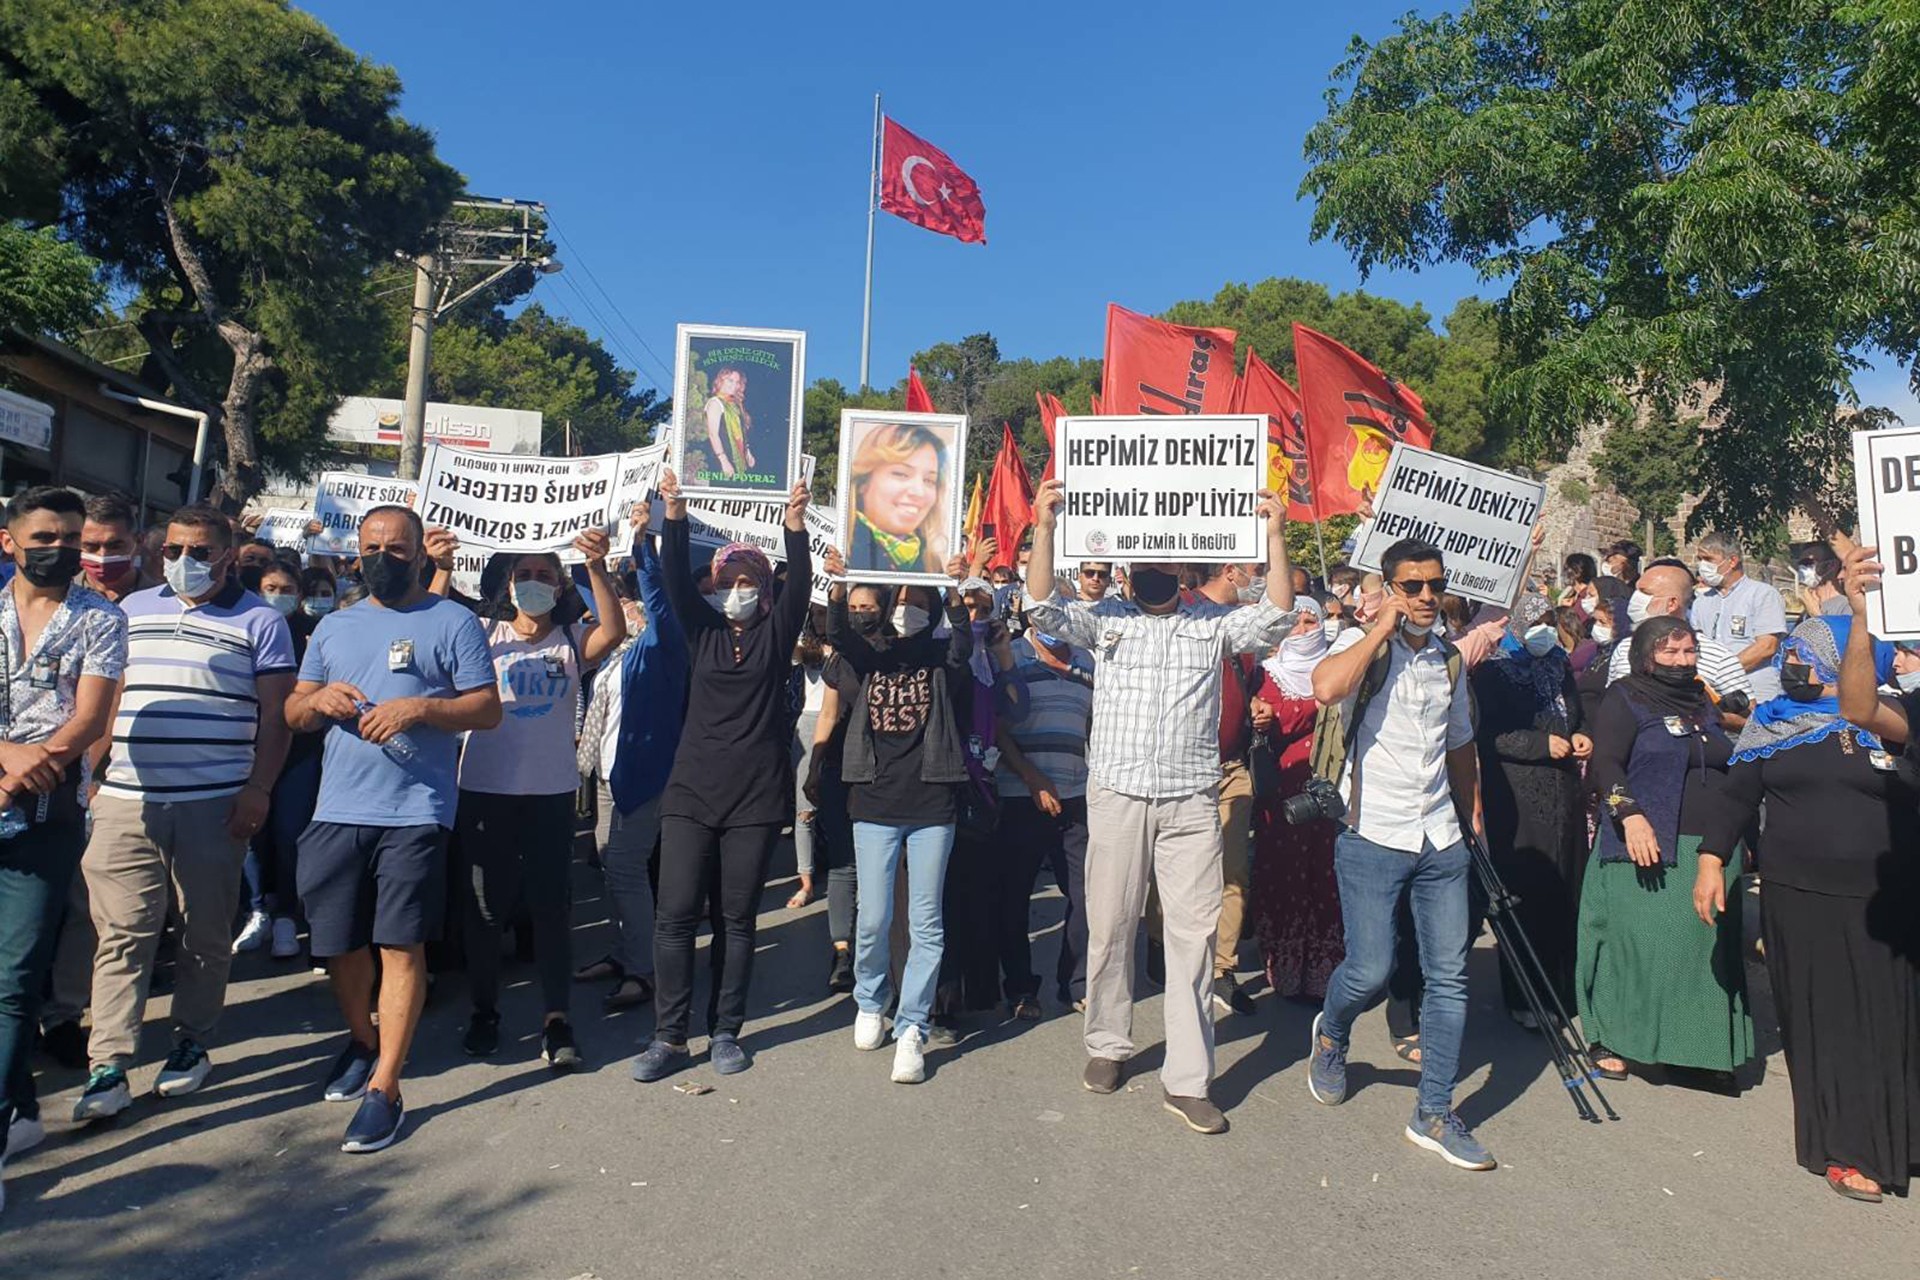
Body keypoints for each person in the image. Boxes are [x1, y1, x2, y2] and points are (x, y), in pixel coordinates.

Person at [1025, 477, 1297, 1136]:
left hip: (1191, 800)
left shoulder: (1212, 624)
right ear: (1126, 564)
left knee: (1193, 937)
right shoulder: (1107, 619)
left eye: (1166, 560)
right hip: (1118, 794)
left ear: (1184, 564)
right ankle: (1107, 1044)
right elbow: (1040, 610)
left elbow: (1279, 618)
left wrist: (1276, 536)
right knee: (1112, 923)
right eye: (1142, 561)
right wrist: (1043, 526)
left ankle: (1188, 1079)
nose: (1154, 570)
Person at [285, 505, 502, 1154]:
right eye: (373, 546)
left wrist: (423, 708)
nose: (383, 557)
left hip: (414, 812)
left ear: (420, 554)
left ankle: (386, 1088)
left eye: (398, 548)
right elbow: (294, 710)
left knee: (399, 945)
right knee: (337, 945)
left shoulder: (453, 621)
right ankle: (363, 1039)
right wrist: (316, 703)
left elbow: (486, 709)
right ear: (357, 551)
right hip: (336, 811)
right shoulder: (335, 627)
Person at [73, 504, 294, 1121]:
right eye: (173, 551)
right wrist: (93, 775)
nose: (184, 563)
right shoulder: (128, 612)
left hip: (214, 803)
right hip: (125, 800)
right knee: (121, 933)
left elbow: (275, 717)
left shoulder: (259, 621)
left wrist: (259, 789)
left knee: (203, 933)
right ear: (157, 550)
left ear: (226, 555)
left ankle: (191, 1042)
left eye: (199, 552)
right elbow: (107, 700)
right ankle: (108, 1065)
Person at [1707, 605, 1920, 1203]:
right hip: (1798, 897)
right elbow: (1735, 799)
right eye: (1791, 651)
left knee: (1889, 1022)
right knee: (1827, 1022)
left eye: (1803, 653)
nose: (1789, 662)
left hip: (1887, 901)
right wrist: (1710, 861)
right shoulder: (1771, 723)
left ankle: (1895, 1134)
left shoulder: (1892, 722)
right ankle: (1849, 1147)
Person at [1305, 538, 1494, 1171]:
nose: (1425, 597)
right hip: (1372, 833)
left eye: (1434, 586)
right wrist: (1381, 624)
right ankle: (1332, 1032)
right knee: (1371, 969)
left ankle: (1434, 1110)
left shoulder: (1448, 660)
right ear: (1389, 588)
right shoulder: (1358, 648)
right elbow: (1327, 688)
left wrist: (1473, 815)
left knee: (1449, 976)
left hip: (1439, 836)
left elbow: (1461, 743)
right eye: (1410, 586)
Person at [632, 470, 811, 1083]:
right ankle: (669, 1036)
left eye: (748, 582)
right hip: (691, 792)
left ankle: (726, 1030)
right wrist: (674, 513)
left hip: (756, 798)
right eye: (728, 581)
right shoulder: (701, 631)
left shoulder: (775, 634)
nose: (736, 590)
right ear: (715, 587)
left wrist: (794, 527)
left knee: (736, 919)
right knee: (675, 914)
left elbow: (802, 587)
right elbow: (675, 579)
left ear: (763, 591)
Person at [451, 528, 625, 1071]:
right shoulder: (480, 633)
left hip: (550, 797)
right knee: (483, 912)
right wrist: (439, 564)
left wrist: (595, 567)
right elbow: (434, 619)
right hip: (483, 793)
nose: (532, 584)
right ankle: (485, 1011)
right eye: (523, 575)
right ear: (507, 583)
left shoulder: (572, 640)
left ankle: (556, 1018)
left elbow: (614, 630)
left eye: (544, 575)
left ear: (559, 584)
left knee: (552, 912)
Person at [0, 487, 125, 1214]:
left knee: (15, 978)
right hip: (15, 777)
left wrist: (32, 766)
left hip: (45, 819)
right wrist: (9, 754)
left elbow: (90, 716)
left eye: (72, 537)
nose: (62, 548)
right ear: (10, 541)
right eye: (45, 534)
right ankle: (20, 1111)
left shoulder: (100, 619)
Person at [1577, 616, 1751, 1086]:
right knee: (1639, 946)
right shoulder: (1625, 697)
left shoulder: (1703, 701)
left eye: (1688, 651)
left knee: (1698, 951)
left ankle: (1693, 1048)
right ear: (1646, 654)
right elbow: (1605, 763)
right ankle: (1612, 1036)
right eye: (1669, 652)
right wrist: (1630, 814)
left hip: (1707, 845)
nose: (1681, 661)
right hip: (1645, 840)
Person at [825, 562, 973, 1083]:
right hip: (874, 804)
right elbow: (839, 632)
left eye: (920, 603)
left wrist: (954, 592)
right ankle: (871, 999)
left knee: (926, 922)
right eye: (902, 601)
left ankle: (912, 1028)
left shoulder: (939, 656)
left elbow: (963, 648)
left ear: (930, 612)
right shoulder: (872, 656)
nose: (908, 610)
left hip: (933, 805)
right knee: (874, 918)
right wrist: (838, 585)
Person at [38, 492, 155, 1069]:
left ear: (136, 544)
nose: (100, 557)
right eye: (89, 546)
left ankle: (65, 1014)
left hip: (108, 781)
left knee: (90, 910)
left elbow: (106, 710)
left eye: (114, 546)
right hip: (33, 774)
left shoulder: (156, 604)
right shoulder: (44, 598)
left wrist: (93, 770)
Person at [575, 504, 685, 1012]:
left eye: (632, 601)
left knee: (625, 866)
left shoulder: (663, 648)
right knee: (607, 863)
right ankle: (624, 953)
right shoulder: (616, 654)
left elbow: (660, 604)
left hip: (644, 777)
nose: (627, 608)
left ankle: (643, 971)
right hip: (605, 775)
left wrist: (643, 546)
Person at [1470, 595, 1591, 1026]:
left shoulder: (1558, 664)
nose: (1542, 629)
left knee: (1565, 886)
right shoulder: (1494, 672)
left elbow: (1575, 715)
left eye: (1546, 620)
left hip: (1564, 790)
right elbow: (1487, 734)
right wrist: (1541, 745)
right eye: (1533, 621)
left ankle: (1565, 992)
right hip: (1517, 795)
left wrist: (1580, 736)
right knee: (1527, 891)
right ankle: (1526, 998)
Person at [994, 623, 1094, 1012]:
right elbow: (997, 730)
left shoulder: (1087, 661)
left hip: (1076, 795)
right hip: (1022, 794)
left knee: (1086, 894)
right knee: (1014, 896)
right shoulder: (1012, 655)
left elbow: (1092, 726)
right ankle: (1021, 988)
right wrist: (1031, 777)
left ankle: (1077, 982)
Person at [1250, 597, 1342, 1000]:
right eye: (1296, 623)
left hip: (1335, 785)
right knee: (1285, 874)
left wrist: (1297, 708)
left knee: (1329, 876)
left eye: (1311, 622)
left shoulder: (1340, 667)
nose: (1304, 631)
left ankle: (1326, 970)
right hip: (1285, 788)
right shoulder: (1267, 673)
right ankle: (1285, 965)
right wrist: (1313, 705)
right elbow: (1271, 718)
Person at [802, 585, 886, 993]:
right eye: (851, 607)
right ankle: (842, 950)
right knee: (842, 864)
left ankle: (879, 949)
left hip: (883, 773)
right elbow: (829, 714)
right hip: (839, 768)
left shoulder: (894, 651)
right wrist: (814, 767)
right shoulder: (839, 661)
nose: (858, 614)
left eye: (866, 607)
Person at [1608, 559, 1754, 704]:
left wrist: (1704, 712)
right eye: (1636, 590)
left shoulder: (1718, 658)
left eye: (1645, 592)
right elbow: (1611, 703)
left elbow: (1749, 719)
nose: (1635, 598)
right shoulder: (1625, 648)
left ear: (1672, 603)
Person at [1692, 531, 1789, 702]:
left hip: (1756, 692)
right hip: (1713, 693)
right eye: (1700, 559)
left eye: (1708, 560)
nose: (1702, 566)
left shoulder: (1762, 594)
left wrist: (1724, 672)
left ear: (1732, 561)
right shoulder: (1701, 601)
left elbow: (1767, 646)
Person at [846, 422, 950, 576]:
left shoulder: (932, 564)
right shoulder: (846, 553)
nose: (918, 492)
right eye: (901, 474)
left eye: (929, 480)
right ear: (864, 481)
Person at [703, 367, 755, 481]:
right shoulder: (715, 403)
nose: (734, 385)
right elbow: (713, 434)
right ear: (720, 381)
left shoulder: (735, 405)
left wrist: (747, 452)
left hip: (738, 461)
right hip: (721, 461)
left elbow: (741, 433)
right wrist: (723, 460)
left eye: (737, 382)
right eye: (730, 380)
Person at [1787, 540, 1848, 618]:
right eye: (1801, 563)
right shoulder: (1809, 606)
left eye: (1808, 562)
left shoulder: (1845, 607)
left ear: (1831, 565)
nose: (1802, 568)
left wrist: (1817, 616)